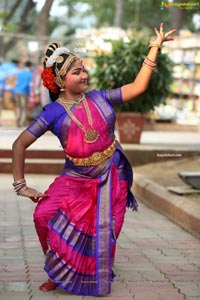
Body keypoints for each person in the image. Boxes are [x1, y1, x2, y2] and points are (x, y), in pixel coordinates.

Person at [12, 23, 176, 296]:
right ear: (60, 81)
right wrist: (21, 185)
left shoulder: (101, 98)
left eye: (85, 69)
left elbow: (136, 88)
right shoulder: (52, 112)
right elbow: (19, 144)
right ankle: (57, 270)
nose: (85, 74)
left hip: (111, 173)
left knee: (105, 226)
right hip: (75, 177)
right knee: (43, 215)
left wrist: (154, 48)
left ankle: (98, 266)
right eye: (77, 72)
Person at [14, 61, 33, 127]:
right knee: (24, 108)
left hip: (17, 91)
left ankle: (17, 121)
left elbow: (16, 82)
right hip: (24, 92)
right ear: (30, 66)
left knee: (19, 107)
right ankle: (22, 122)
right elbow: (29, 85)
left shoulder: (20, 73)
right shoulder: (30, 74)